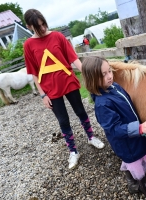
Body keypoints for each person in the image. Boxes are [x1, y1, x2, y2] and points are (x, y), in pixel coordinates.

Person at [23, 9, 105, 170]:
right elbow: (34, 72)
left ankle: (91, 137)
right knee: (63, 120)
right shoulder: (28, 45)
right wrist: (42, 95)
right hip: (50, 89)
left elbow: (73, 58)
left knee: (81, 112)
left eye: (43, 24)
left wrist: (89, 76)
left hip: (68, 82)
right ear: (29, 26)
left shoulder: (58, 36)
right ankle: (73, 151)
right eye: (38, 27)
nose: (43, 29)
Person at [81, 56, 146, 200]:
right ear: (93, 79)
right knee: (141, 173)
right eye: (103, 75)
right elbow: (115, 129)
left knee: (133, 164)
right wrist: (139, 128)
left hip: (130, 139)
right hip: (128, 143)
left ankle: (132, 183)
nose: (109, 76)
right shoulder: (102, 104)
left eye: (109, 71)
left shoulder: (115, 87)